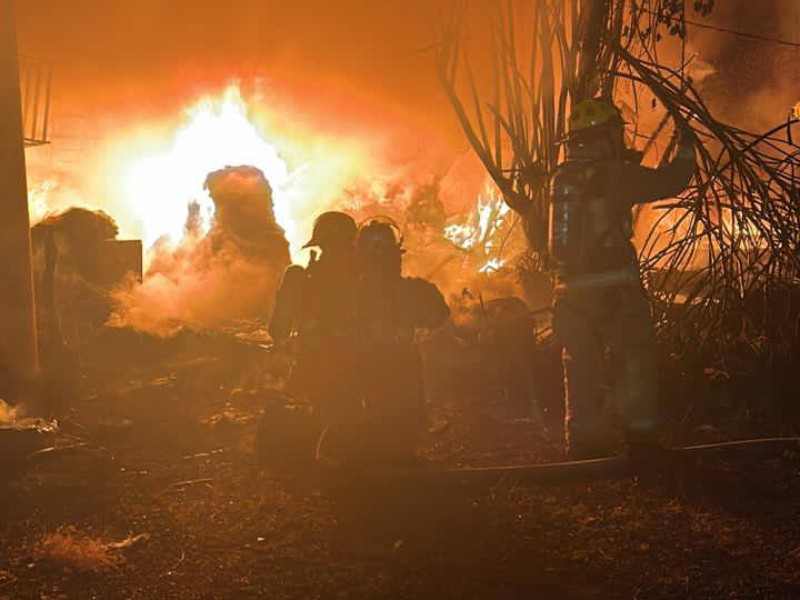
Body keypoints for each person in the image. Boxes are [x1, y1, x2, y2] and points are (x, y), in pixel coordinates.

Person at [546, 97, 697, 460]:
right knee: (634, 359)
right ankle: (641, 438)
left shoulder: (559, 179)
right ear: (603, 138)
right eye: (614, 134)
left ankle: (583, 442)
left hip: (569, 293)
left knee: (579, 365)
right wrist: (688, 144)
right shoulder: (616, 176)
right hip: (614, 289)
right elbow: (672, 180)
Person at [353, 219, 451, 463]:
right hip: (393, 362)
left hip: (364, 363)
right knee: (399, 422)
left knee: (376, 420)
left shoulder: (351, 292)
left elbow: (436, 316)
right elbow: (437, 317)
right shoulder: (411, 291)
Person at [268, 211, 362, 459]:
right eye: (339, 247)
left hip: (348, 369)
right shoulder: (304, 279)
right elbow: (279, 329)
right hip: (324, 369)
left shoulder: (362, 281)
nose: (342, 253)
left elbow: (278, 330)